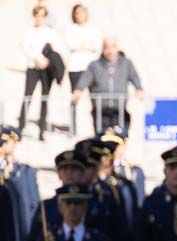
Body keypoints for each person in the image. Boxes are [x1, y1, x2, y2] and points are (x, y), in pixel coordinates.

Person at [72, 37, 144, 135]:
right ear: (103, 49)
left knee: (119, 139)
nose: (110, 51)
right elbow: (86, 78)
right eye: (107, 48)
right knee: (102, 140)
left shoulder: (126, 64)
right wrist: (78, 90)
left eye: (113, 47)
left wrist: (139, 88)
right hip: (101, 111)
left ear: (117, 48)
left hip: (119, 110)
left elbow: (134, 77)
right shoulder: (94, 65)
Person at [20, 5, 62, 141]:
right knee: (28, 97)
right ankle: (20, 129)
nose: (39, 18)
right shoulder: (29, 31)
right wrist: (36, 58)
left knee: (44, 99)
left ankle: (42, 130)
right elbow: (26, 48)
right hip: (33, 67)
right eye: (37, 15)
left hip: (46, 69)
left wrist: (45, 61)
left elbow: (54, 49)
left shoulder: (50, 32)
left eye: (42, 15)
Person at [65, 4, 101, 134]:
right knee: (75, 98)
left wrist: (82, 45)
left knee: (94, 99)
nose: (79, 15)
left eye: (82, 12)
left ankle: (97, 129)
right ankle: (73, 128)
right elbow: (72, 44)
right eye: (77, 13)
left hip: (90, 68)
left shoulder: (93, 29)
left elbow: (95, 45)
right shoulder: (70, 29)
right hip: (75, 67)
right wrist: (85, 45)